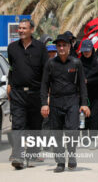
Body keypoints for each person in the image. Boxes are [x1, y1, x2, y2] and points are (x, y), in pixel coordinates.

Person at [40, 33, 90, 173]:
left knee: (71, 131)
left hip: (72, 101)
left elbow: (82, 85)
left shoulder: (76, 63)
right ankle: (60, 162)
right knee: (56, 134)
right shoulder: (50, 64)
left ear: (69, 47)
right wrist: (44, 103)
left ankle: (72, 156)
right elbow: (44, 85)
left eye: (64, 45)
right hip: (55, 102)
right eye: (59, 45)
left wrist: (84, 103)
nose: (61, 48)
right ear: (56, 47)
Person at [7, 19, 48, 169]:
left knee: (35, 126)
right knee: (18, 125)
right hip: (17, 93)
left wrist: (46, 93)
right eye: (19, 28)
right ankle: (18, 156)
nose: (21, 30)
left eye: (24, 28)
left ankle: (31, 154)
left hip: (36, 93)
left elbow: (46, 72)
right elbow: (12, 68)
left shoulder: (40, 48)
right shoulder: (12, 48)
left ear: (32, 30)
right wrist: (10, 84)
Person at [80, 40, 98, 145]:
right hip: (83, 94)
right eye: (84, 51)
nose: (86, 53)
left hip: (97, 94)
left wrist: (89, 81)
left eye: (88, 50)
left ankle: (93, 139)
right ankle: (84, 137)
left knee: (94, 116)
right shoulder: (78, 62)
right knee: (82, 116)